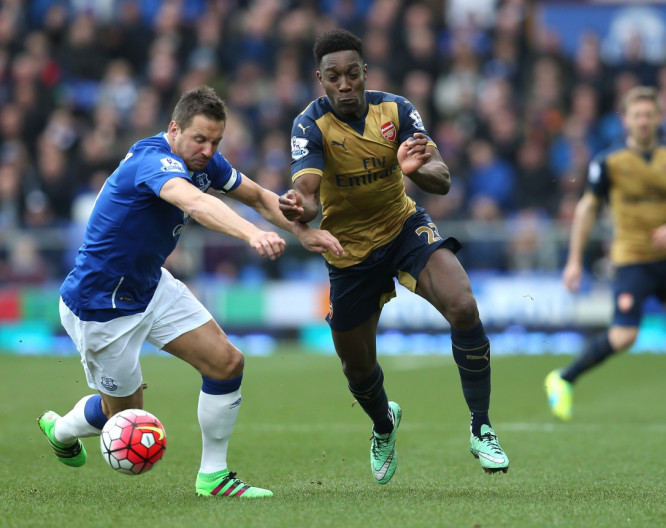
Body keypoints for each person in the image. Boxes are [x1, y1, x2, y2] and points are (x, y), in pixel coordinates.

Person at [37, 86, 344, 498]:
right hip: (101, 306)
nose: (208, 149)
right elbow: (194, 203)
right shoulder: (152, 161)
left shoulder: (206, 162)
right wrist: (252, 234)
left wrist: (303, 232)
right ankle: (60, 429)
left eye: (215, 141)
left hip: (151, 286)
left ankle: (213, 477)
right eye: (200, 139)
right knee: (126, 420)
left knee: (226, 362)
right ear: (174, 129)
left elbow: (255, 195)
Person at [278, 28, 509, 484]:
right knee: (356, 365)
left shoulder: (397, 110)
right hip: (347, 251)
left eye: (351, 74)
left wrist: (418, 169)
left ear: (364, 72)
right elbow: (306, 195)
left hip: (402, 227)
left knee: (463, 305)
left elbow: (443, 178)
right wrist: (296, 207)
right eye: (333, 77)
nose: (344, 84)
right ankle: (384, 424)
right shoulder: (309, 125)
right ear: (320, 79)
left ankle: (481, 427)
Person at [545, 86, 666, 424]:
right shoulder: (609, 162)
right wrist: (574, 261)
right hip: (632, 260)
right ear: (625, 119)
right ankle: (563, 378)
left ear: (659, 118)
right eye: (636, 115)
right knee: (625, 335)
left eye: (649, 114)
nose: (643, 121)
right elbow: (587, 208)